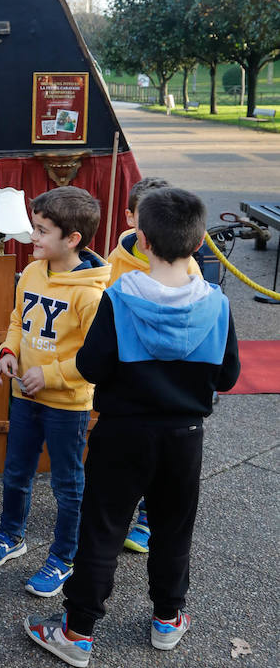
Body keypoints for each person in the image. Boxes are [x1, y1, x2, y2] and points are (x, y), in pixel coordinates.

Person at [25, 187, 240, 668]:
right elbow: (227, 376)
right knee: (173, 528)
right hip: (184, 437)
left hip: (122, 433)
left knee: (101, 529)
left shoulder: (119, 299)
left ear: (140, 239)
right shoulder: (217, 304)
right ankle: (168, 617)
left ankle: (77, 631)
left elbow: (93, 365)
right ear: (200, 240)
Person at [0, 187, 110, 597]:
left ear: (72, 240)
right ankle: (12, 535)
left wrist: (51, 376)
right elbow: (19, 319)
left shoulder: (92, 294)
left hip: (67, 405)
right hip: (24, 398)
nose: (33, 236)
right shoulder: (33, 272)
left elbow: (96, 359)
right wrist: (8, 352)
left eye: (42, 230)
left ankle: (64, 557)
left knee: (67, 484)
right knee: (16, 472)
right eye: (34, 227)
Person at [108, 177, 204, 554]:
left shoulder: (189, 269)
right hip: (126, 373)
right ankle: (124, 508)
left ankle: (148, 519)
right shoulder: (119, 255)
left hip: (165, 380)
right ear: (131, 216)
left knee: (163, 461)